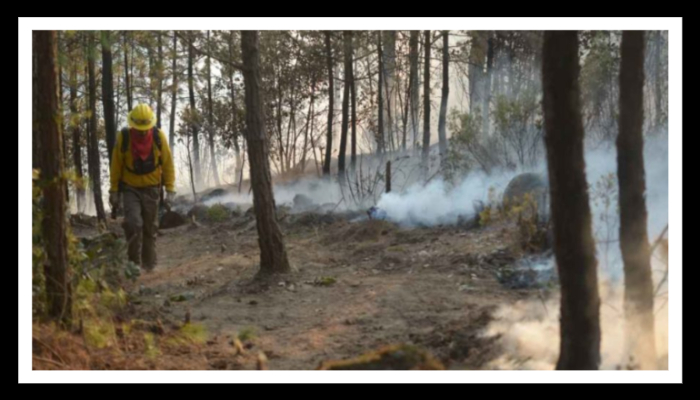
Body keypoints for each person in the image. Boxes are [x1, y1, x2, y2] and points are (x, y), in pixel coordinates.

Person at [109, 103, 175, 272]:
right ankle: (133, 265)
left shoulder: (158, 137)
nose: (143, 132)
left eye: (145, 128)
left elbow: (167, 164)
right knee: (133, 224)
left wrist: (170, 189)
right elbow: (116, 165)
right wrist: (114, 190)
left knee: (149, 228)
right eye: (139, 128)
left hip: (152, 189)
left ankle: (150, 266)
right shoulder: (124, 138)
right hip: (130, 189)